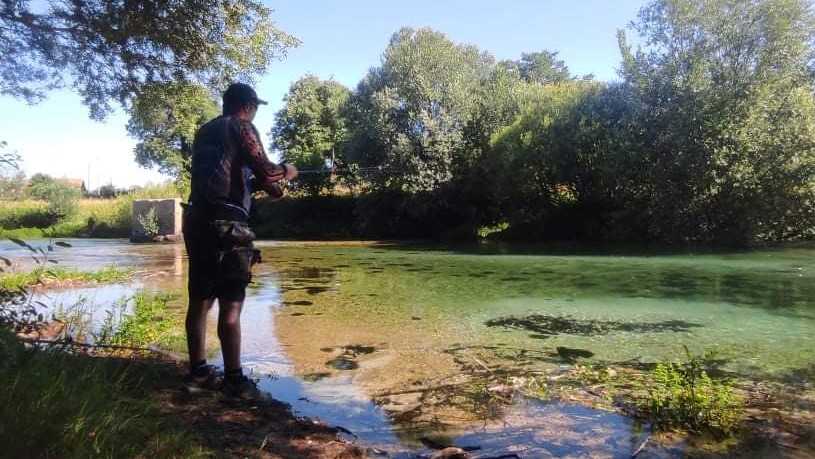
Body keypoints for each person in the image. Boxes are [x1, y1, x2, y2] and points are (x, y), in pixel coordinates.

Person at [182, 82, 298, 397]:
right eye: (255, 107)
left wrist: (268, 186)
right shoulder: (242, 126)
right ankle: (234, 380)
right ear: (247, 106)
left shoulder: (205, 132)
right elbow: (269, 172)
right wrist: (288, 171)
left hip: (196, 220)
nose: (255, 112)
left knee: (200, 299)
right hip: (228, 226)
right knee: (231, 302)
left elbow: (241, 176)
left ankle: (198, 372)